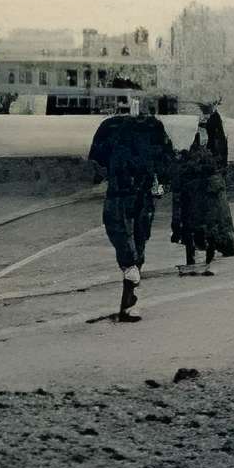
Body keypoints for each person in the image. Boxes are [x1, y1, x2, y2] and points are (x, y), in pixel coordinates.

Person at [89, 102, 179, 319]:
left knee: (137, 241)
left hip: (141, 192)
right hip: (122, 191)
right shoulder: (110, 126)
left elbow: (166, 159)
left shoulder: (154, 128)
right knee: (121, 235)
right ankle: (130, 283)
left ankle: (129, 301)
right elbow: (95, 160)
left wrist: (162, 183)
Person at [169, 101, 234, 276]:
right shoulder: (203, 123)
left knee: (206, 220)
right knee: (201, 220)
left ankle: (206, 257)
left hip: (204, 178)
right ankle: (200, 256)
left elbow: (220, 152)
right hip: (199, 178)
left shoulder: (214, 123)